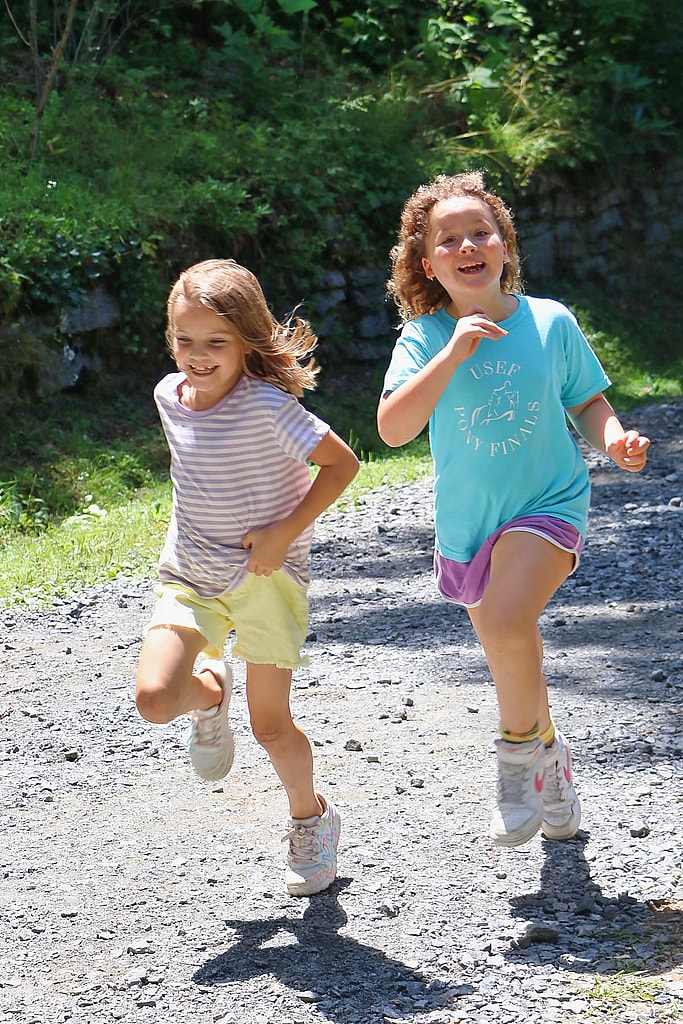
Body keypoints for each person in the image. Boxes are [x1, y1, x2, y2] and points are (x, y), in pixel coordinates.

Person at [377, 171, 650, 848]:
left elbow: (585, 400)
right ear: (425, 262)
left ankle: (513, 759)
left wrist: (612, 440)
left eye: (480, 231)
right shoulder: (421, 338)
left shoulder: (548, 320)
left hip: (548, 505)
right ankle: (550, 761)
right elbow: (391, 429)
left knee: (504, 618)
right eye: (448, 239)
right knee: (509, 648)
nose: (467, 244)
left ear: (503, 246)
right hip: (469, 523)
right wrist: (451, 352)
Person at [135, 259, 359, 894]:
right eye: (184, 340)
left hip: (268, 579)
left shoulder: (268, 406)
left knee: (270, 727)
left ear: (246, 341)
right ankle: (210, 694)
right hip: (190, 573)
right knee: (154, 699)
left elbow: (342, 466)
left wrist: (285, 532)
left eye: (216, 343)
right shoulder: (166, 396)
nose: (196, 357)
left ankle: (310, 818)